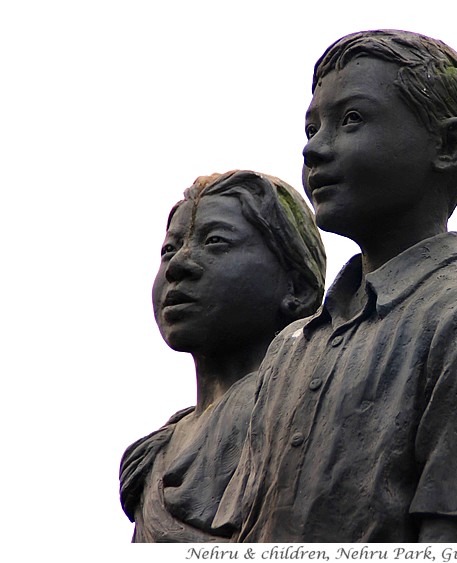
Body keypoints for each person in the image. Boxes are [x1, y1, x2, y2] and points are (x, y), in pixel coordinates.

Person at [214, 30, 457, 543]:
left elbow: (447, 531)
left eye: (350, 120)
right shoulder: (292, 345)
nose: (313, 148)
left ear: (447, 145)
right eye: (311, 127)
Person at [119, 170, 326, 542]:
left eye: (215, 242)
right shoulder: (152, 458)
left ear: (297, 288)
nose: (179, 264)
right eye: (169, 249)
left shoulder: (309, 410)